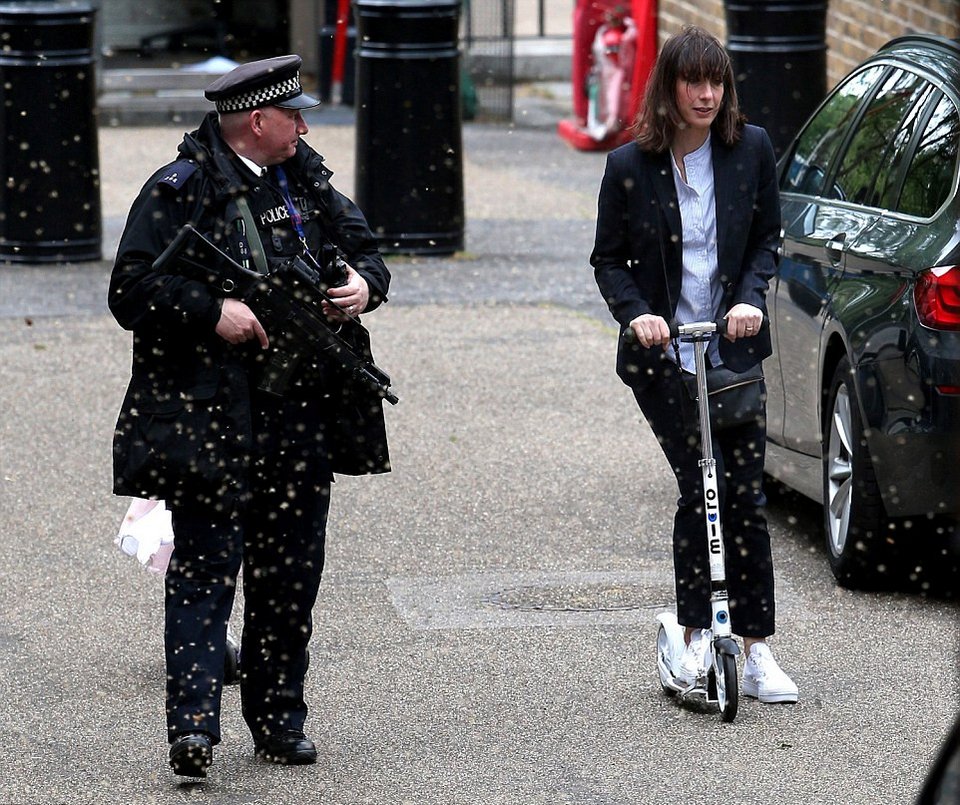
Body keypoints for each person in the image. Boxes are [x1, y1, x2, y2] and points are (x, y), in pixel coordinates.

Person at [108, 54, 392, 777]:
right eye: (293, 116)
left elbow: (366, 253)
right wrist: (213, 311)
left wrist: (361, 286)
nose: (304, 127)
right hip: (211, 417)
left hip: (300, 414)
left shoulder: (306, 181)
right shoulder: (181, 190)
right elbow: (131, 290)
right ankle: (193, 730)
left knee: (289, 577)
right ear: (257, 121)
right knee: (205, 573)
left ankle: (278, 719)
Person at [590, 26, 798, 704]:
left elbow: (766, 237)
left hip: (731, 348)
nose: (707, 94)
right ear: (670, 88)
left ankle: (755, 646)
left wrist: (749, 298)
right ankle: (697, 630)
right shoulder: (629, 165)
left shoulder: (750, 149)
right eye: (694, 81)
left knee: (746, 495)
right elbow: (607, 260)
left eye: (716, 82)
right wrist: (637, 314)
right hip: (664, 356)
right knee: (703, 485)